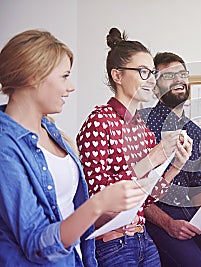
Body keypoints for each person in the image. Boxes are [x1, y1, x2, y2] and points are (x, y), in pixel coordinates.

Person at [0, 29, 147, 266]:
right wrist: (98, 204)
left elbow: (69, 210)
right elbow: (38, 245)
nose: (70, 87)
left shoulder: (51, 131)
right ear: (33, 77)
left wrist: (107, 211)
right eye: (64, 76)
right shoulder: (5, 147)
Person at [76, 28, 192, 267]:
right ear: (117, 76)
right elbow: (96, 195)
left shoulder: (142, 127)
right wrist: (151, 159)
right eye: (143, 72)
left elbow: (146, 199)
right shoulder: (99, 122)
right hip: (111, 244)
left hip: (142, 239)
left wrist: (175, 166)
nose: (151, 80)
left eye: (152, 73)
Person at [139, 52, 201, 267]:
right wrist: (168, 223)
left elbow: (197, 186)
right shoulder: (141, 122)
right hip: (155, 218)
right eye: (169, 75)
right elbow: (136, 188)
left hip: (190, 215)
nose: (178, 79)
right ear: (155, 86)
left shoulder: (195, 131)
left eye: (182, 74)